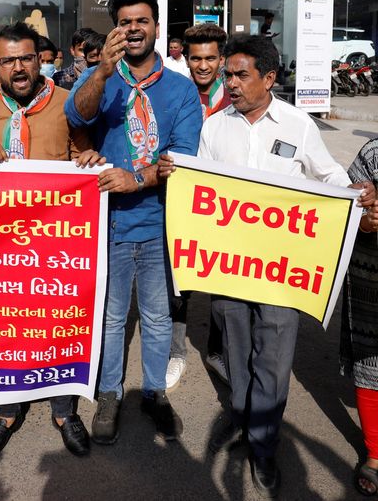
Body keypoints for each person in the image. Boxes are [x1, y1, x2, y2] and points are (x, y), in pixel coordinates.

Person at [159, 34, 373, 498]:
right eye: (227, 75)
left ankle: (264, 444)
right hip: (229, 268)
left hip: (281, 275)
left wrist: (356, 194)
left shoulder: (298, 125)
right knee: (236, 352)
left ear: (269, 78)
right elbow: (202, 186)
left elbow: (331, 178)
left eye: (240, 74)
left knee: (273, 359)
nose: (230, 83)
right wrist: (176, 171)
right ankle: (244, 420)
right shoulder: (215, 127)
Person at [65, 0, 202, 446]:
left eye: (141, 20)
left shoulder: (181, 89)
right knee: (111, 315)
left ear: (158, 28)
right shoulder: (102, 78)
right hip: (108, 224)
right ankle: (109, 394)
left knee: (160, 317)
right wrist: (102, 71)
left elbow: (182, 155)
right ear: (115, 30)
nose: (133, 29)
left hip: (162, 221)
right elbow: (77, 119)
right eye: (124, 22)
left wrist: (137, 178)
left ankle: (155, 394)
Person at [0, 21, 100, 460]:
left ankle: (63, 409)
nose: (19, 67)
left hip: (55, 239)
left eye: (27, 58)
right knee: (6, 326)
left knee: (58, 323)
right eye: (9, 60)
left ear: (41, 59)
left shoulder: (67, 103)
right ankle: (7, 410)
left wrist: (89, 159)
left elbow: (82, 153)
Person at [165, 23, 231, 390]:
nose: (202, 65)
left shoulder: (235, 99)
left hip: (226, 210)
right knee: (179, 285)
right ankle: (176, 352)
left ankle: (217, 351)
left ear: (221, 59)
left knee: (225, 282)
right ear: (185, 58)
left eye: (209, 58)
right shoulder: (177, 95)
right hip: (183, 205)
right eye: (195, 58)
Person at [342, 138, 378, 496]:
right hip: (371, 276)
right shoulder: (372, 154)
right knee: (370, 361)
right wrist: (367, 221)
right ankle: (376, 454)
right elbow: (344, 206)